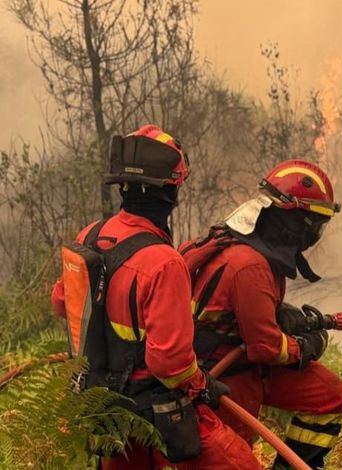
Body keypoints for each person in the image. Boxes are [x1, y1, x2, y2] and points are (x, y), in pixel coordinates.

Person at [51, 125, 261, 469]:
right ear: (171, 191)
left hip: (102, 408)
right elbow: (171, 365)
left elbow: (62, 302)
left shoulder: (90, 234)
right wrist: (203, 384)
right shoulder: (164, 263)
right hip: (153, 408)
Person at [180, 159, 342, 469]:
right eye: (314, 223)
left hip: (241, 363)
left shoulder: (240, 243)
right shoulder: (250, 265)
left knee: (330, 395)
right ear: (293, 220)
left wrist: (280, 314)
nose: (315, 233)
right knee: (238, 457)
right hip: (222, 378)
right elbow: (266, 347)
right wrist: (304, 348)